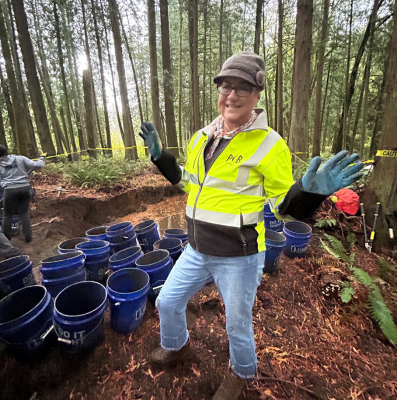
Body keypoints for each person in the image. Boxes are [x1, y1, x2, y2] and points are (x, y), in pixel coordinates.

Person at [139, 51, 363, 400]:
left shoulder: (269, 144)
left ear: (257, 94)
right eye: (225, 86)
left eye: (242, 87)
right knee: (166, 301)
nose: (232, 95)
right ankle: (177, 346)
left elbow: (284, 208)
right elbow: (188, 182)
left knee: (237, 325)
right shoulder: (202, 136)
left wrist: (310, 193)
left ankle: (241, 373)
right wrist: (160, 157)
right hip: (196, 249)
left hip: (239, 257)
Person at [0, 145, 46, 242]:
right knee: (24, 212)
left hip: (9, 190)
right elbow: (37, 165)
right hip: (24, 188)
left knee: (7, 215)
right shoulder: (20, 158)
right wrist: (41, 158)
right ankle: (28, 237)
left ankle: (6, 240)